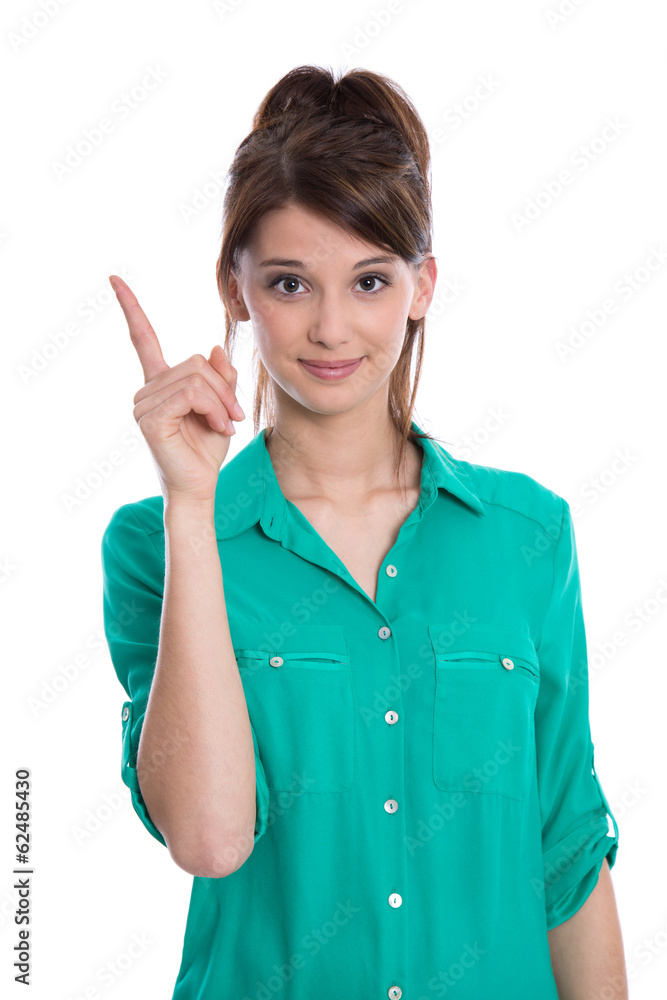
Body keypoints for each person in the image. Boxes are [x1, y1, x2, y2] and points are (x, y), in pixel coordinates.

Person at [101, 64, 627, 999]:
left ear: (421, 286)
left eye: (370, 280)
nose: (333, 328)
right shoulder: (159, 545)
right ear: (235, 288)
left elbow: (566, 850)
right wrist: (189, 503)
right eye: (290, 283)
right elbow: (210, 840)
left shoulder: (527, 535)